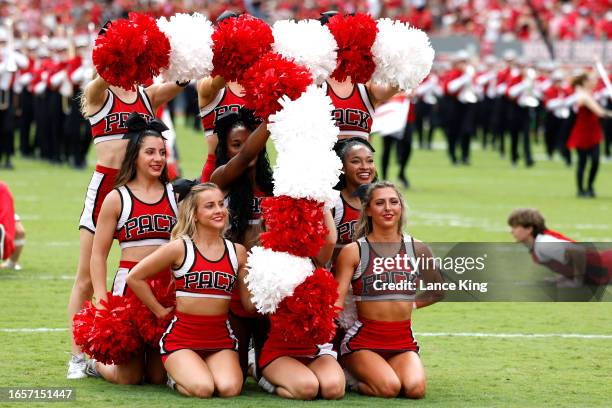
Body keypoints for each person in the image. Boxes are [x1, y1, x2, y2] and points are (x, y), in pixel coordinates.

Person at [67, 24, 185, 378]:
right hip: (106, 185)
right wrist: (114, 52)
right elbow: (102, 77)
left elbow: (179, 83)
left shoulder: (146, 95)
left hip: (143, 188)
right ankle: (78, 356)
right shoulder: (97, 92)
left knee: (152, 266)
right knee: (87, 276)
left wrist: (178, 48)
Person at [127, 183, 246, 398]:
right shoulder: (180, 247)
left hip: (220, 339)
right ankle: (175, 378)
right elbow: (135, 277)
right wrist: (159, 311)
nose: (218, 210)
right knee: (203, 389)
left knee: (229, 389)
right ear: (195, 214)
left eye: (221, 204)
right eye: (209, 206)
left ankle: (196, 371)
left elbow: (247, 302)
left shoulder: (237, 252)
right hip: (181, 340)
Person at [88, 113, 178, 384]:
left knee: (157, 377)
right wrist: (102, 300)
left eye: (162, 152)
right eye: (149, 152)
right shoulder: (117, 198)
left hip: (166, 289)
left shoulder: (175, 195)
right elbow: (98, 254)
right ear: (134, 156)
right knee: (128, 378)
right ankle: (95, 365)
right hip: (129, 289)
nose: (157, 159)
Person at [334, 181, 443, 398]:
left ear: (401, 208)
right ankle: (352, 378)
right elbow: (336, 300)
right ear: (368, 210)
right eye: (380, 203)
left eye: (394, 202)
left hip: (402, 340)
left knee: (415, 390)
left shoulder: (418, 248)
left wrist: (410, 303)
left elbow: (437, 290)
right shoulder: (354, 251)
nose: (388, 208)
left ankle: (380, 372)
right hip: (363, 341)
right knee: (389, 388)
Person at [209, 108, 273, 378]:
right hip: (233, 284)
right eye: (237, 144)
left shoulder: (273, 185)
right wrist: (273, 117)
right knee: (234, 375)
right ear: (225, 149)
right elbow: (247, 155)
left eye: (250, 141)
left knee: (265, 372)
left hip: (268, 283)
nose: (247, 149)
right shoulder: (220, 181)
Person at [319, 12, 399, 141]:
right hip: (322, 160)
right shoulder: (313, 83)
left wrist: (401, 65)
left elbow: (393, 87)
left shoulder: (365, 83)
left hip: (359, 160)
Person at [508, 208, 611, 287]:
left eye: (515, 227)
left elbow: (578, 252)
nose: (511, 231)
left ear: (529, 229)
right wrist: (563, 278)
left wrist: (577, 282)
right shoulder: (541, 242)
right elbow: (569, 261)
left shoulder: (543, 243)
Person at [566, 72, 612, 198]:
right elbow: (600, 112)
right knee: (583, 161)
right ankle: (581, 189)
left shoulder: (592, 94)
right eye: (592, 80)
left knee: (596, 160)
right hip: (582, 132)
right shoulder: (582, 95)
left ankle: (590, 186)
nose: (595, 82)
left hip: (593, 131)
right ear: (585, 82)